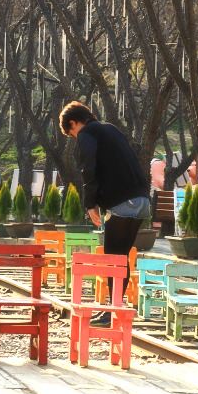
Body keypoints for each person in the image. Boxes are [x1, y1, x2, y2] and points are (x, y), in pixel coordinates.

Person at [59, 101, 150, 325]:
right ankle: (115, 309)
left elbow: (88, 169)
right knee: (121, 258)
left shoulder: (87, 133)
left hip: (122, 201)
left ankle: (112, 312)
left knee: (112, 259)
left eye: (71, 134)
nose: (74, 138)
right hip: (142, 200)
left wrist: (90, 204)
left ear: (73, 123)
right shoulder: (111, 129)